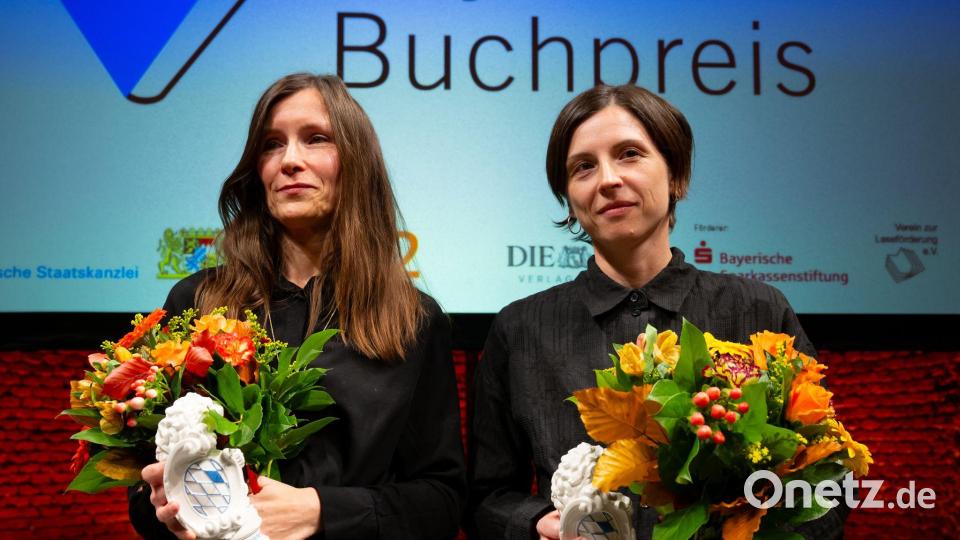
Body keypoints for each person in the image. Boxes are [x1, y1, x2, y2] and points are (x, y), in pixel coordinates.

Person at [467, 85, 846, 539]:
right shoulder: (521, 328)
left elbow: (831, 482)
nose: (607, 179)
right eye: (583, 167)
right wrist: (536, 525)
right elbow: (484, 498)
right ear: (569, 197)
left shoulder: (758, 310)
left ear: (676, 176)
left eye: (629, 154)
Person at [128, 73, 465, 539]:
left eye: (316, 139)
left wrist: (320, 511)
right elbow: (148, 498)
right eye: (271, 144)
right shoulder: (197, 302)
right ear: (256, 170)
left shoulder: (414, 320)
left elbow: (443, 502)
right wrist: (163, 508)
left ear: (356, 163)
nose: (290, 160)